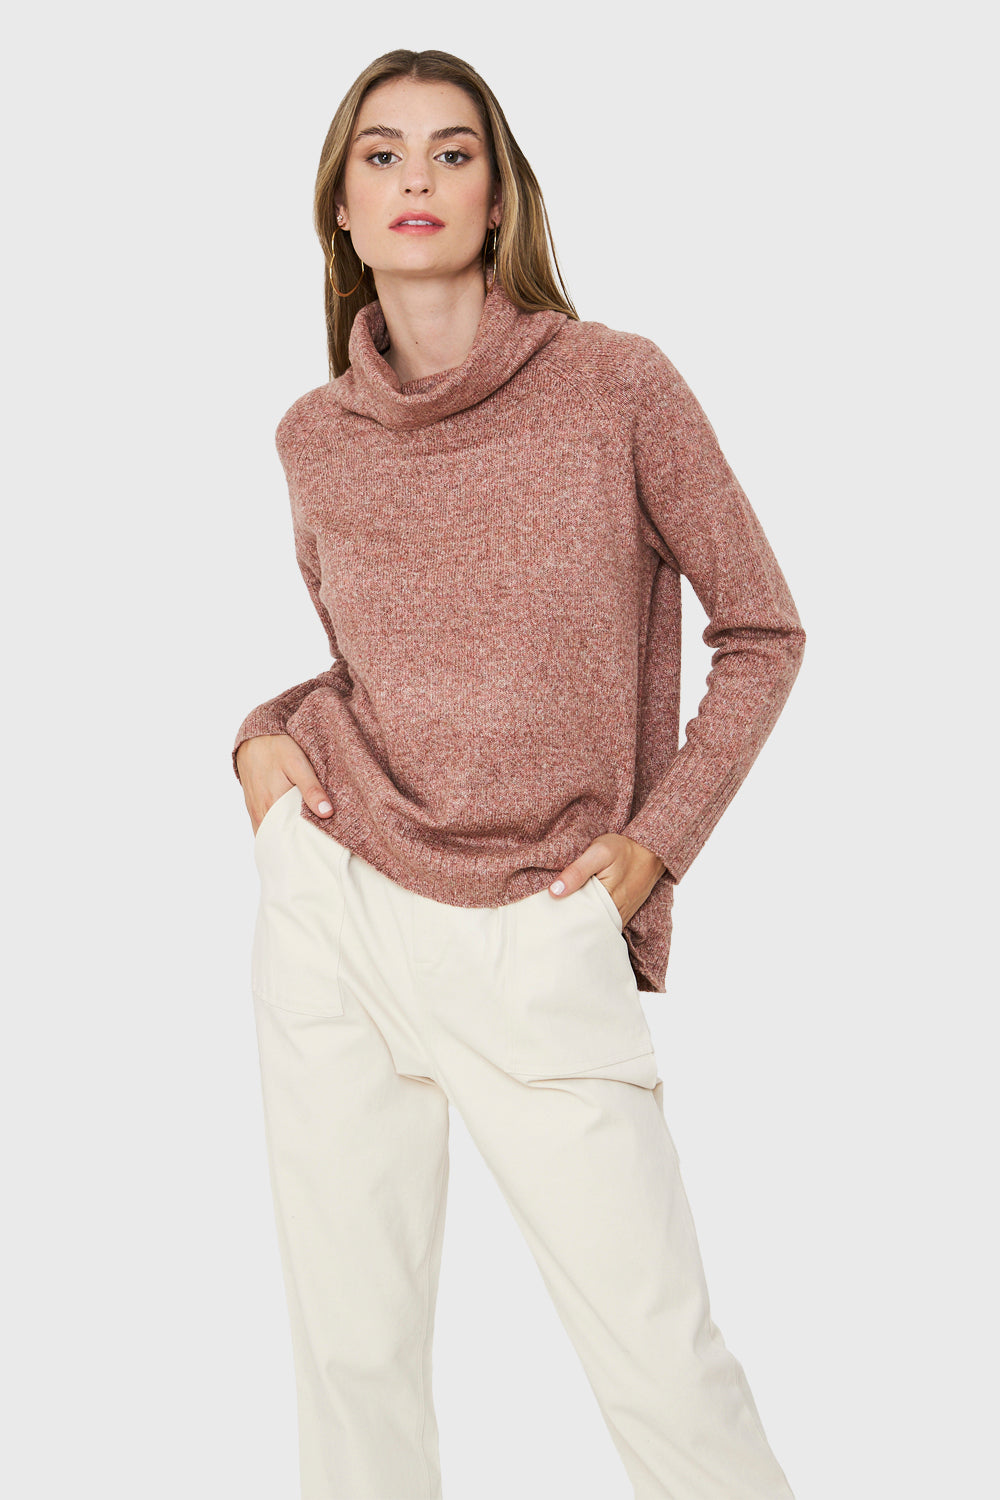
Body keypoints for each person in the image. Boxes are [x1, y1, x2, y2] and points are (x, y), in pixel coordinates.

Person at [233, 47, 805, 1500]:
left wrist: (658, 844)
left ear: (499, 199)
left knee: (666, 1374)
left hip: (542, 925)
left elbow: (763, 630)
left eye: (452, 152)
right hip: (338, 905)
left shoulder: (617, 384)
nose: (415, 179)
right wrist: (258, 737)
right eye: (380, 155)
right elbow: (375, 668)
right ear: (342, 208)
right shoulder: (314, 439)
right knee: (352, 1369)